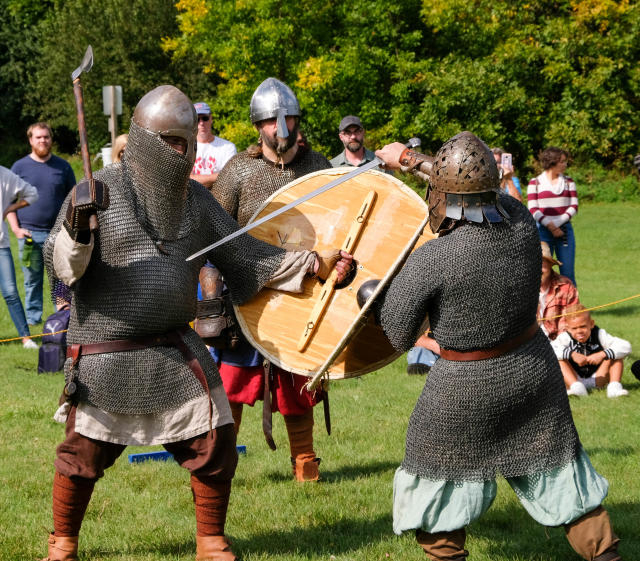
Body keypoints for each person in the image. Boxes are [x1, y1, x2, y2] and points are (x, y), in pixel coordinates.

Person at [40, 84, 352, 561]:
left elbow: (247, 256)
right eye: (169, 141)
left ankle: (209, 540)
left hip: (174, 347)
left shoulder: (197, 202)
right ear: (142, 139)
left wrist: (313, 264)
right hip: (107, 349)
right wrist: (79, 228)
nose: (178, 152)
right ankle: (62, 543)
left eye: (184, 142)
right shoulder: (99, 191)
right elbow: (64, 269)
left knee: (216, 433)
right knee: (82, 453)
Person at [373, 131, 622, 561]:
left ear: (442, 194)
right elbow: (473, 186)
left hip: (461, 390)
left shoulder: (434, 258)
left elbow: (397, 334)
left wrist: (378, 297)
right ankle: (604, 554)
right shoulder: (521, 223)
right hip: (533, 372)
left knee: (436, 473)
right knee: (558, 469)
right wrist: (411, 160)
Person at [211, 77, 333, 481]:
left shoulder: (317, 168)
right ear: (256, 125)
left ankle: (305, 461)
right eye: (270, 122)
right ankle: (221, 463)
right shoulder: (239, 172)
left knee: (299, 380)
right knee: (233, 383)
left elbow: (340, 222)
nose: (281, 129)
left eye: (289, 118)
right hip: (248, 288)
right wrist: (211, 294)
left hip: (305, 287)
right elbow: (212, 231)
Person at [9, 122, 75, 325]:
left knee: (62, 276)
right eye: (38, 137)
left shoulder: (62, 166)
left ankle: (64, 315)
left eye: (46, 137)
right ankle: (34, 319)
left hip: (59, 234)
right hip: (29, 234)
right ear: (30, 140)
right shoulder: (19, 167)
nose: (43, 140)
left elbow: (73, 198)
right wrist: (16, 229)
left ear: (51, 140)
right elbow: (9, 202)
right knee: (32, 279)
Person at [553, 304, 632, 398]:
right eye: (574, 328)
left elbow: (626, 346)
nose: (579, 331)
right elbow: (549, 350)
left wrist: (602, 354)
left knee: (616, 355)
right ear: (567, 328)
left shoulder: (600, 334)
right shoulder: (564, 338)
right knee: (559, 360)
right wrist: (571, 354)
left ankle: (614, 389)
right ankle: (577, 389)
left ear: (591, 324)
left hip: (598, 377)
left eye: (583, 326)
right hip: (574, 379)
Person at [0, 166, 39, 349]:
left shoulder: (5, 175)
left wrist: (9, 209)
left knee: (10, 293)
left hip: (1, 245)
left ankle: (26, 338)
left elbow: (32, 194)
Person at [527, 146, 578, 285]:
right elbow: (533, 209)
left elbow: (574, 206)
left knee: (567, 273)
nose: (565, 164)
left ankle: (572, 306)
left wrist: (557, 223)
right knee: (542, 272)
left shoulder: (569, 182)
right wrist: (550, 226)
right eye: (562, 161)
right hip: (543, 231)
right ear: (552, 162)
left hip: (565, 232)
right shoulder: (535, 183)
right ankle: (542, 306)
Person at [190, 101, 237, 189]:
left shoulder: (227, 147)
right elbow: (183, 178)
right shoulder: (186, 146)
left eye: (205, 118)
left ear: (211, 119)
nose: (201, 123)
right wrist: (217, 177)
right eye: (197, 119)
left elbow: (230, 178)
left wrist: (193, 179)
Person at [539, 241, 580, 340]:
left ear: (550, 265)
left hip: (558, 344)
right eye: (533, 264)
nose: (537, 269)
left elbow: (571, 321)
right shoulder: (520, 286)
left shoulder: (566, 286)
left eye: (542, 264)